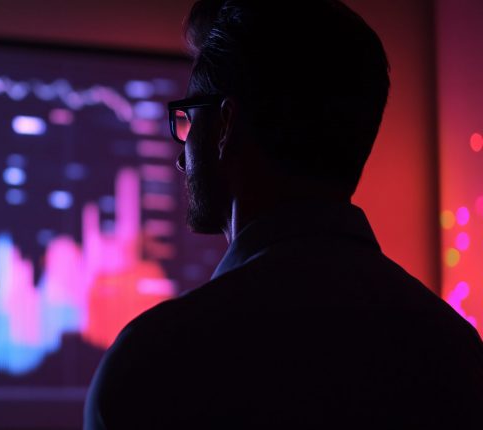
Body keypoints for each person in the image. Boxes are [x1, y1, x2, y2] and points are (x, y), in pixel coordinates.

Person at [84, 0, 483, 428]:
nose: (181, 158)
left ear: (224, 126)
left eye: (188, 120)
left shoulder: (153, 363)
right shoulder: (457, 352)